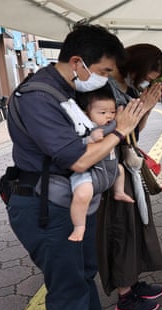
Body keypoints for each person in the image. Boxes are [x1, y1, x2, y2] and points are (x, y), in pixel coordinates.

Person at [6, 24, 148, 310]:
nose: (103, 80)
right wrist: (120, 131)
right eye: (101, 72)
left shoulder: (64, 90)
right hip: (47, 208)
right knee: (67, 287)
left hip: (69, 204)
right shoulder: (38, 96)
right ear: (76, 62)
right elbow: (79, 158)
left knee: (84, 274)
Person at [97, 43, 162, 310]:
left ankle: (133, 282)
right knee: (121, 226)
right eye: (148, 74)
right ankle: (124, 295)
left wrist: (147, 107)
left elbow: (136, 129)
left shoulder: (130, 89)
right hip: (113, 168)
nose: (149, 81)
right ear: (135, 65)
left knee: (137, 223)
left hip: (129, 163)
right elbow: (103, 131)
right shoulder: (104, 89)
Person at [68, 86, 134, 242]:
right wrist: (89, 139)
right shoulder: (85, 128)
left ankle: (118, 192)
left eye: (112, 112)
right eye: (102, 113)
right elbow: (75, 145)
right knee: (82, 193)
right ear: (87, 115)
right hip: (89, 173)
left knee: (120, 169)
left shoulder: (112, 126)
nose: (109, 117)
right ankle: (79, 226)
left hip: (109, 169)